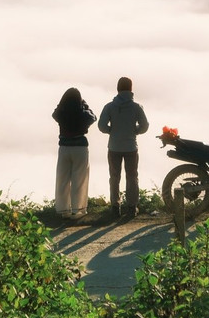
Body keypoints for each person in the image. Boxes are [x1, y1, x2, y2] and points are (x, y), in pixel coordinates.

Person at [97, 76, 149, 220]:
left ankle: (115, 207)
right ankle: (132, 207)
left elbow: (101, 126)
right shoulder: (136, 107)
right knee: (132, 177)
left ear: (117, 89)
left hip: (114, 146)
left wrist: (112, 131)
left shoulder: (109, 106)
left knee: (114, 177)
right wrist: (135, 131)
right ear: (131, 89)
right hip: (131, 146)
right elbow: (145, 126)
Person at [52, 87, 96, 221]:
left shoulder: (61, 113)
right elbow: (93, 117)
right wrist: (85, 104)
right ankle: (79, 210)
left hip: (64, 147)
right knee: (80, 179)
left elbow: (54, 114)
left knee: (63, 179)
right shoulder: (82, 113)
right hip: (80, 147)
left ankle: (63, 209)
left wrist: (61, 104)